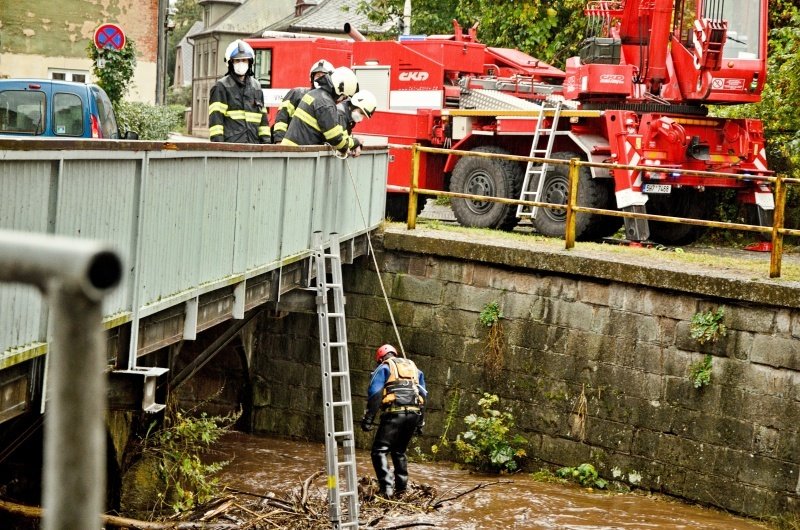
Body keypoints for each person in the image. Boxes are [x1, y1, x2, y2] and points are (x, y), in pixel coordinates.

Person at [360, 344, 427, 499]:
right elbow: (423, 397)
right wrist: (420, 422)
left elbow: (375, 394)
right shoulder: (415, 370)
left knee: (379, 451)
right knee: (399, 451)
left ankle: (387, 489)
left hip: (394, 414)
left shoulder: (384, 368)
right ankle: (401, 489)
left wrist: (368, 419)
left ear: (381, 358)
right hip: (414, 414)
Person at [280, 66, 360, 155]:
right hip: (297, 155)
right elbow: (335, 138)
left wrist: (352, 142)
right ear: (340, 90)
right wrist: (352, 145)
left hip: (291, 151)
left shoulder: (315, 94)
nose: (342, 100)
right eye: (344, 96)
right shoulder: (326, 103)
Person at [208, 40, 271, 144]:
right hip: (231, 149)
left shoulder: (256, 87)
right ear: (230, 63)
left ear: (250, 62)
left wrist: (267, 146)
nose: (241, 64)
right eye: (237, 61)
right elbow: (216, 122)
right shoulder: (221, 87)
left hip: (253, 148)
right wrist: (218, 148)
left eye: (244, 60)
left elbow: (263, 122)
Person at [272, 59, 335, 144]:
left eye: (324, 76)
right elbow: (281, 118)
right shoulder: (296, 94)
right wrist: (279, 141)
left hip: (313, 150)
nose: (321, 79)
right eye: (318, 75)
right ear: (311, 78)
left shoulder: (329, 103)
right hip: (291, 148)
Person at [336, 89, 377, 157]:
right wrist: (357, 142)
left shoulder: (349, 116)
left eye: (364, 115)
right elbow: (340, 141)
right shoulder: (340, 114)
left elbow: (347, 136)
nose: (361, 119)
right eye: (361, 113)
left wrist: (356, 145)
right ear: (355, 105)